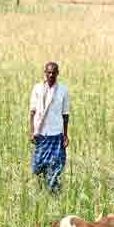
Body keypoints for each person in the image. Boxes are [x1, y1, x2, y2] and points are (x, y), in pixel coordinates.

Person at [28, 62, 70, 193]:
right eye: (48, 72)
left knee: (56, 166)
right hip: (41, 134)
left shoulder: (63, 90)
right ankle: (41, 191)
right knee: (38, 167)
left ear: (58, 73)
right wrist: (32, 131)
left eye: (54, 72)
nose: (51, 75)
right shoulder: (37, 89)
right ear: (45, 73)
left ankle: (54, 193)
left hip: (56, 135)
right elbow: (32, 112)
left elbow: (65, 115)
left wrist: (65, 135)